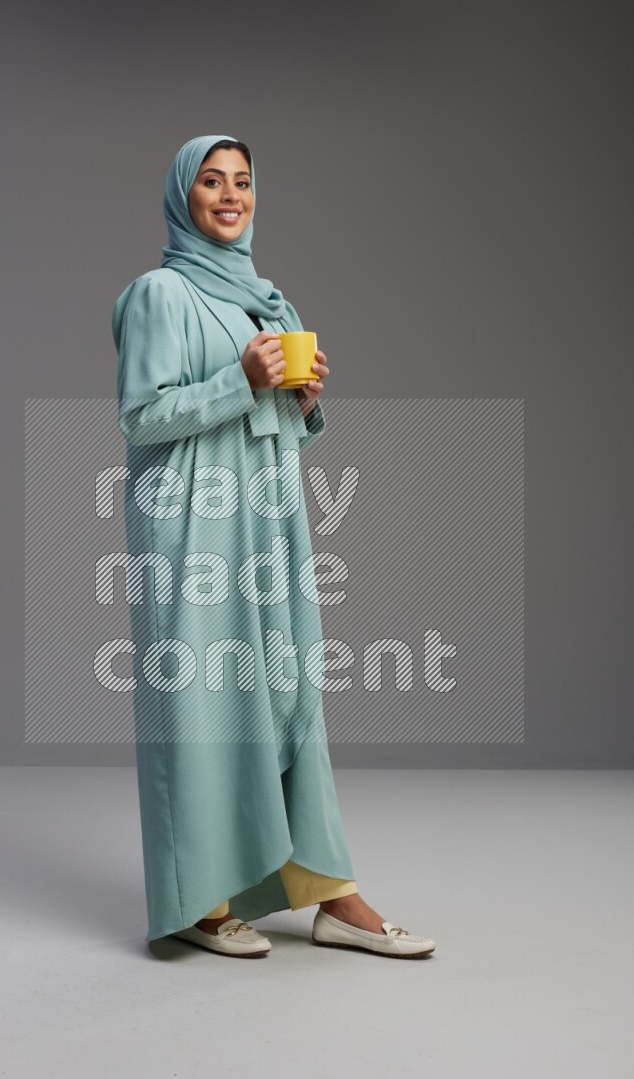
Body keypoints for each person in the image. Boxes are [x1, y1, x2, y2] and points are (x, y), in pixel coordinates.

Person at [112, 134, 435, 960]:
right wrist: (241, 381)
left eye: (243, 182)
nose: (230, 195)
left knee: (289, 691)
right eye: (211, 181)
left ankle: (328, 892)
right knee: (203, 701)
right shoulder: (160, 293)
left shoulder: (269, 302)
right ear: (183, 196)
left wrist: (304, 399)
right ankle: (200, 898)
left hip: (269, 516)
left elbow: (279, 428)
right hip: (193, 522)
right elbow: (141, 417)